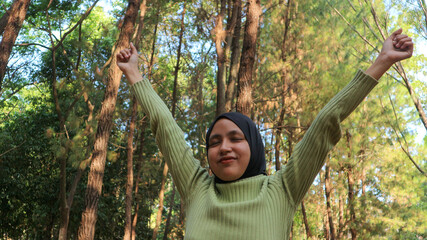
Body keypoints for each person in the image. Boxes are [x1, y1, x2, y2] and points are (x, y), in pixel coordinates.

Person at [116, 29, 413, 239]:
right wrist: (133, 73)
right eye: (214, 142)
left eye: (235, 138)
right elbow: (165, 127)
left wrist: (382, 62)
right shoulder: (198, 189)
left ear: (254, 145)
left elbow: (325, 123)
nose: (223, 148)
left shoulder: (281, 189)